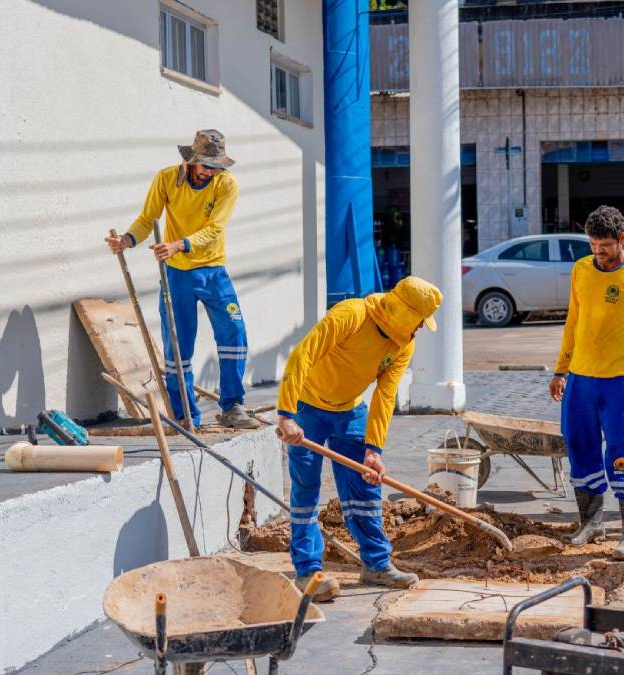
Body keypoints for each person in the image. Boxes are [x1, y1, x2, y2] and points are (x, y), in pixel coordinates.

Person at [276, 276, 442, 600]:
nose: (422, 327)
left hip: (351, 411)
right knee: (306, 489)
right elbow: (302, 356)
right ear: (406, 313)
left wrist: (373, 449)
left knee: (365, 487)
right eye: (420, 320)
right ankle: (308, 571)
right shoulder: (350, 315)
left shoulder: (403, 342)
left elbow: (385, 395)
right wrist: (286, 415)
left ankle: (376, 564)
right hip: (307, 407)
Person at [105, 129, 258, 429]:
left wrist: (178, 244)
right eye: (207, 166)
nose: (212, 172)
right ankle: (184, 416)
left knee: (234, 335)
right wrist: (127, 240)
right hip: (176, 274)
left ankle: (232, 407)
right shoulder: (166, 179)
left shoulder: (226, 184)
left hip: (214, 271)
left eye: (217, 166)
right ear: (191, 161)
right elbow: (147, 218)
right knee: (177, 347)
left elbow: (215, 229)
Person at [549, 205, 624, 561]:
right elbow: (573, 321)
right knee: (578, 444)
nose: (598, 253)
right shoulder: (581, 269)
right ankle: (591, 522)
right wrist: (560, 370)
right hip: (580, 380)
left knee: (621, 450)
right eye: (593, 245)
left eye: (604, 245)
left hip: (618, 382)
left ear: (622, 239)